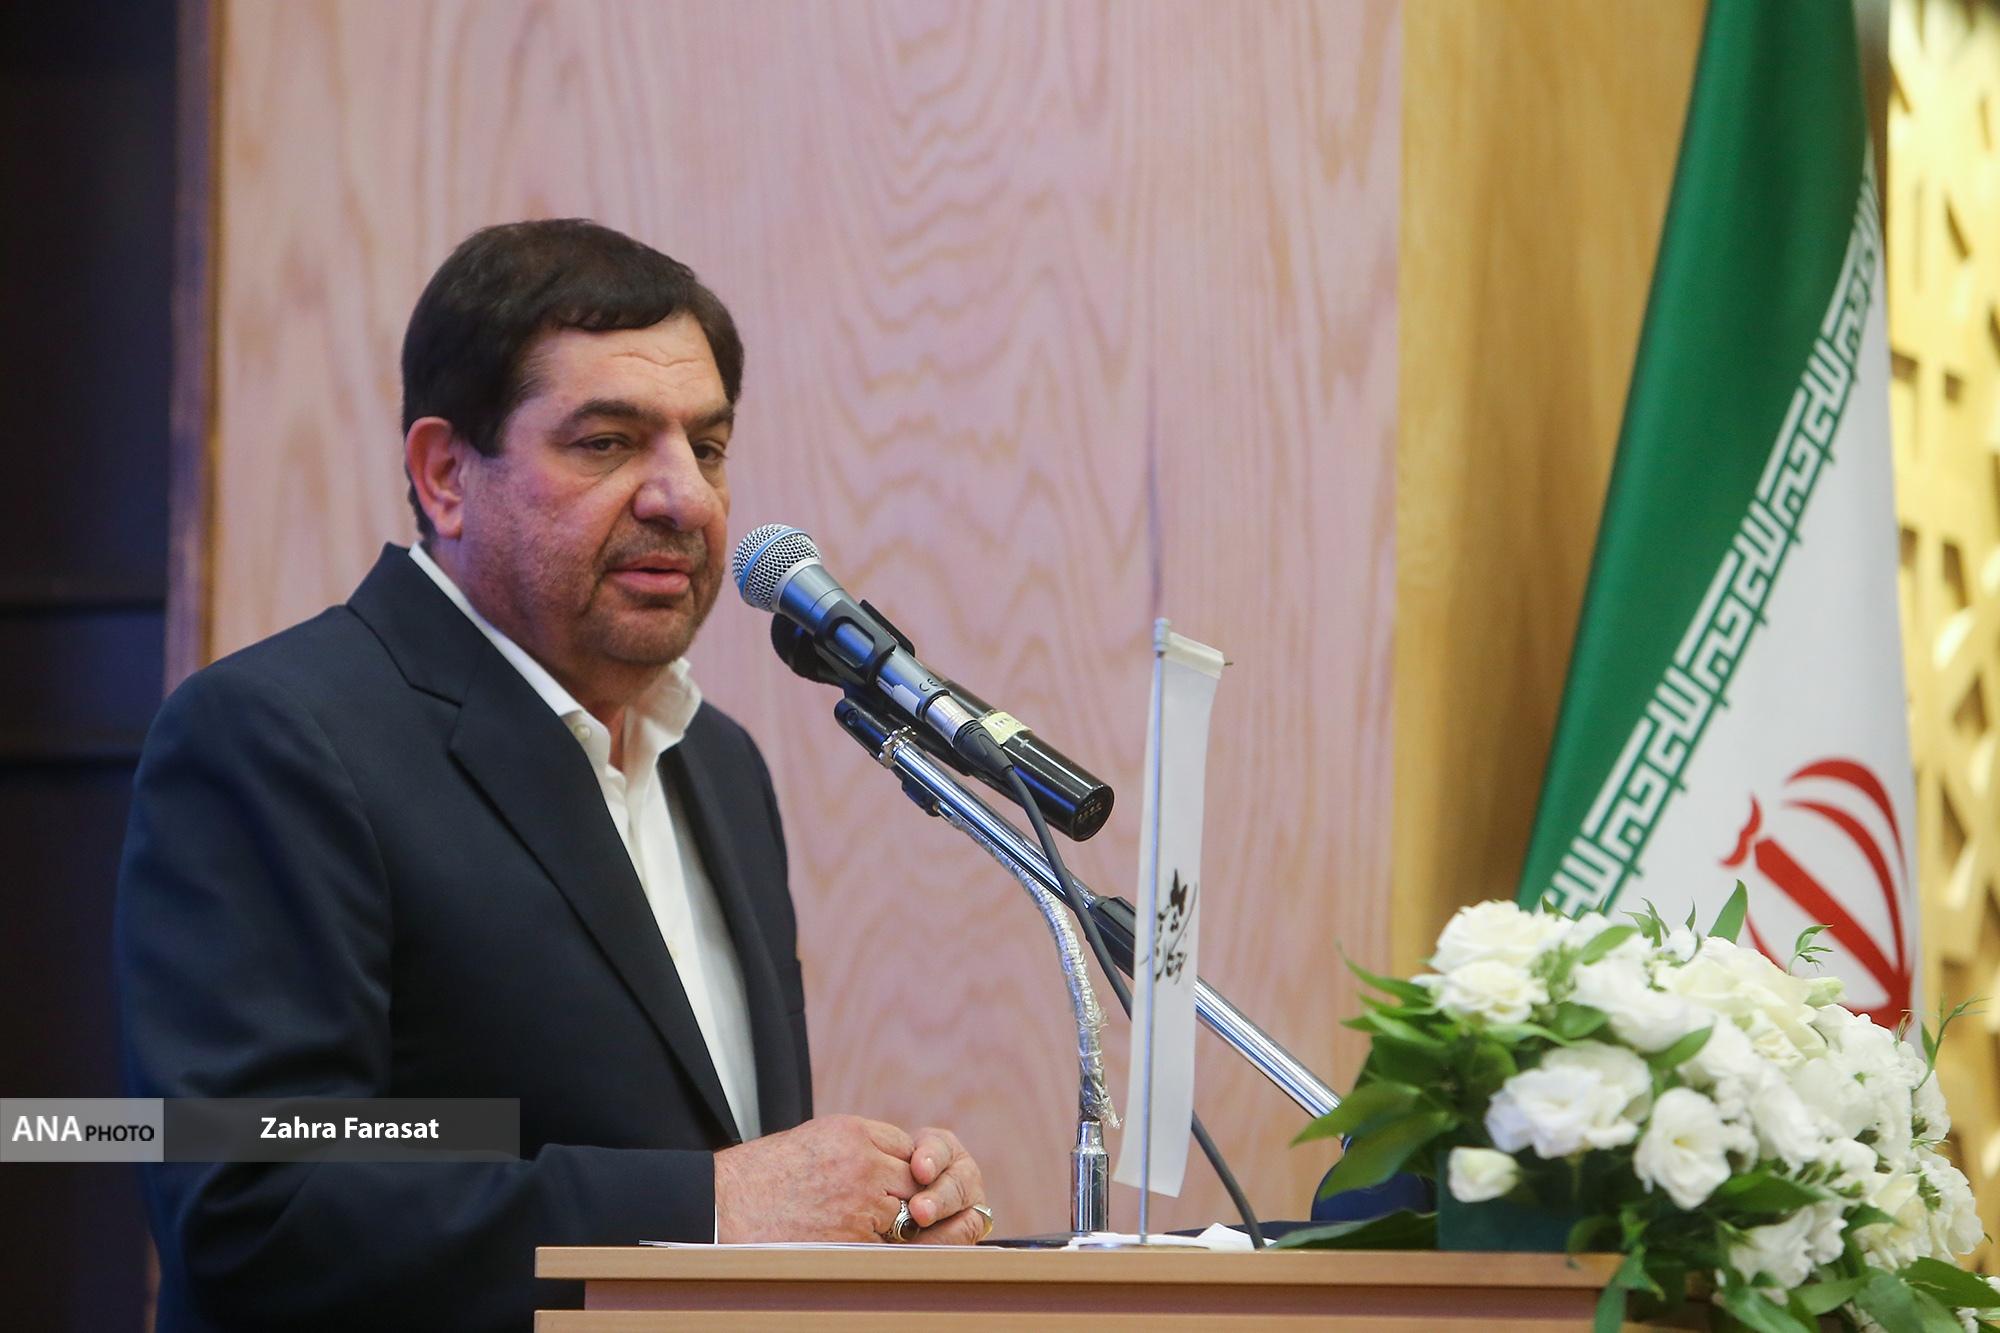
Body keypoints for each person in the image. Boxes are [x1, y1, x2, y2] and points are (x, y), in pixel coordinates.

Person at [114, 219, 987, 1331]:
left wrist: (885, 1212)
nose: (685, 498)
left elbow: (731, 1201)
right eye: (608, 442)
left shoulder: (719, 765)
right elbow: (254, 1200)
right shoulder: (272, 736)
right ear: (445, 475)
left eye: (708, 446)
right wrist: (713, 1205)